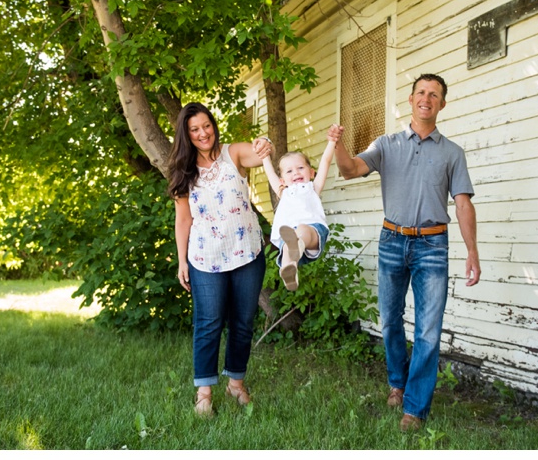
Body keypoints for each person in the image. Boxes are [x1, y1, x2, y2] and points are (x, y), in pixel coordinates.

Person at [329, 73, 481, 432]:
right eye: (421, 93)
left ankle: (414, 408)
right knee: (389, 321)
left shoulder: (453, 153)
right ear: (411, 99)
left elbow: (462, 205)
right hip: (392, 241)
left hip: (433, 244)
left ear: (442, 104)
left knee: (428, 329)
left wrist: (472, 252)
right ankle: (397, 382)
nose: (427, 98)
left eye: (435, 95)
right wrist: (337, 144)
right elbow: (350, 170)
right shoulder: (387, 144)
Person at [167, 102, 273, 418]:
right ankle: (204, 393)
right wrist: (182, 261)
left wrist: (265, 144)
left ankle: (236, 384)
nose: (203, 133)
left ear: (214, 125)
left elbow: (260, 153)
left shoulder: (233, 153)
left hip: (247, 253)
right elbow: (183, 220)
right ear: (186, 135)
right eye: (195, 129)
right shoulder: (182, 172)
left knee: (242, 322)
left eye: (207, 125)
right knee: (208, 323)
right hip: (205, 257)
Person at [261, 133, 337, 290]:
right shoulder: (283, 192)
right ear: (282, 180)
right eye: (289, 171)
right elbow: (270, 174)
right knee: (290, 242)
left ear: (311, 173)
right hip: (289, 234)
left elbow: (325, 162)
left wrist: (332, 142)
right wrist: (264, 156)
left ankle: (299, 245)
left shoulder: (313, 188)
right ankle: (290, 271)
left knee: (302, 229)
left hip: (313, 231)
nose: (295, 173)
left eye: (300, 168)